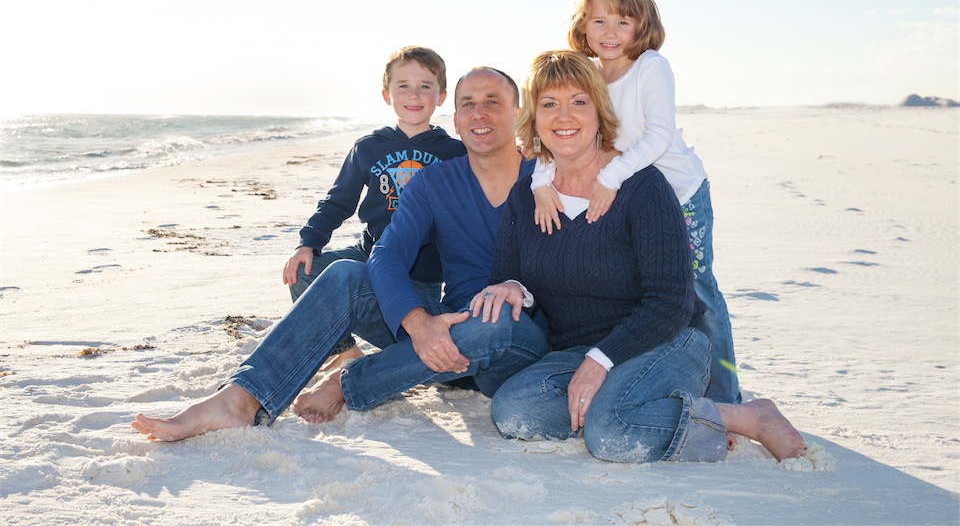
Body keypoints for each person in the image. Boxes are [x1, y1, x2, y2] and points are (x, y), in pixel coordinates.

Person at [131, 67, 548, 441]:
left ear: (517, 111)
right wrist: (418, 323)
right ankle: (239, 399)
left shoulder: (547, 178)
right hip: (442, 346)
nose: (479, 114)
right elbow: (386, 255)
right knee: (347, 273)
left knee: (494, 321)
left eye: (492, 102)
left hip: (515, 342)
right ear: (454, 119)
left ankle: (349, 382)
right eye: (467, 105)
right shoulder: (433, 182)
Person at [479, 50, 806, 463]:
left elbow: (671, 301)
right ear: (534, 118)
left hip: (665, 341)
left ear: (599, 111)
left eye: (579, 102)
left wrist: (601, 360)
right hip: (578, 350)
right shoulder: (528, 196)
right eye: (550, 104)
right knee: (514, 411)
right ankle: (654, 415)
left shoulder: (643, 186)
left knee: (610, 434)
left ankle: (746, 416)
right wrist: (511, 288)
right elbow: (508, 276)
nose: (564, 117)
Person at [530, 0, 741, 404]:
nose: (610, 31)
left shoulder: (650, 66)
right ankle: (665, 377)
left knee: (699, 292)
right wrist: (540, 181)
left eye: (622, 21)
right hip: (634, 201)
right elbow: (558, 130)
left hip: (679, 195)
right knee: (648, 291)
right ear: (582, 24)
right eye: (599, 20)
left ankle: (725, 396)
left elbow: (659, 137)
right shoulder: (587, 71)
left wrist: (609, 178)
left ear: (640, 25)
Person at [282, 46, 466, 366]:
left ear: (441, 96)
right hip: (368, 256)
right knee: (302, 271)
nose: (413, 94)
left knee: (418, 345)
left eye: (425, 85)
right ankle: (345, 353)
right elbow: (338, 202)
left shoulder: (455, 153)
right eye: (403, 86)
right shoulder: (368, 148)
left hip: (419, 275)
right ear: (386, 95)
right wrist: (309, 243)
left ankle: (394, 351)